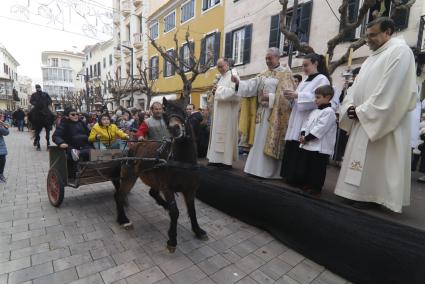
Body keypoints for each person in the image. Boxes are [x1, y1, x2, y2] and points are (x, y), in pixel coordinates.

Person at [334, 18, 417, 212]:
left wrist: (362, 111)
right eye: (366, 35)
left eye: (372, 35)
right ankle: (354, 192)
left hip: (383, 122)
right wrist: (349, 107)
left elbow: (391, 90)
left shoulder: (400, 52)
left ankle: (373, 195)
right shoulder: (372, 57)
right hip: (362, 118)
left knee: (377, 158)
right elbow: (355, 87)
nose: (367, 40)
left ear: (387, 32)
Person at [231, 47, 295, 179]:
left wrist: (270, 98)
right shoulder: (263, 73)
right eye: (266, 58)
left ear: (278, 58)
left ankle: (269, 172)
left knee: (268, 141)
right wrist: (238, 82)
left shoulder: (285, 74)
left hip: (275, 114)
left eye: (270, 58)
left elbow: (287, 96)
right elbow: (251, 86)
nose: (267, 61)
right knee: (258, 141)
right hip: (262, 112)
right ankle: (255, 169)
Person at [281, 53, 331, 183]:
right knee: (293, 145)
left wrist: (297, 95)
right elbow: (300, 96)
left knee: (301, 148)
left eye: (306, 65)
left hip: (308, 116)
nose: (304, 68)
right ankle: (288, 176)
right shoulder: (305, 80)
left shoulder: (322, 79)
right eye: (302, 65)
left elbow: (316, 98)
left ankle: (297, 179)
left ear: (315, 63)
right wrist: (292, 97)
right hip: (297, 115)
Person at [296, 86, 337, 195]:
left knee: (317, 168)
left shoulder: (329, 112)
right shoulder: (314, 111)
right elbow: (306, 123)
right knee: (308, 165)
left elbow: (320, 128)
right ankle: (308, 184)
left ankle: (316, 187)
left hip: (320, 147)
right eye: (315, 97)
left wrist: (307, 138)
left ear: (327, 97)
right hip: (309, 143)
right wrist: (303, 134)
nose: (315, 100)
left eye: (318, 97)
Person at [207, 58, 240, 167]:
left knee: (226, 136)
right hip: (219, 113)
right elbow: (217, 92)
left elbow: (236, 94)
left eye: (221, 66)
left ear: (227, 65)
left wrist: (218, 90)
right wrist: (214, 91)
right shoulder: (221, 77)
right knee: (216, 135)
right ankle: (215, 159)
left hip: (227, 113)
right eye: (218, 67)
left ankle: (225, 161)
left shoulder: (233, 76)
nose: (219, 69)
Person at [29, 84, 54, 149]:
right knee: (30, 114)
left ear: (40, 88)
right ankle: (33, 124)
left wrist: (46, 103)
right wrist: (35, 103)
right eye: (37, 88)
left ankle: (50, 125)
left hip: (45, 108)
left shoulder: (45, 94)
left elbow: (50, 100)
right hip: (37, 108)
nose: (38, 89)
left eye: (39, 87)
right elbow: (31, 101)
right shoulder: (34, 94)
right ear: (36, 88)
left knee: (52, 115)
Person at [0, 111, 9, 183]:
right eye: (2, 116)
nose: (3, 117)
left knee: (2, 160)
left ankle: (1, 174)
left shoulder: (1, 124)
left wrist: (3, 125)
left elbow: (6, 133)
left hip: (1, 146)